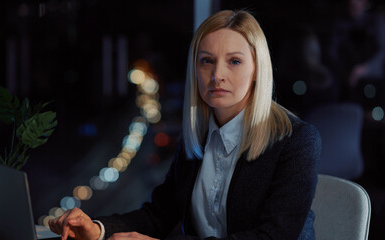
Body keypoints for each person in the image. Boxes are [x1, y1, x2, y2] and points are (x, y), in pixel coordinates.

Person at [49, 10, 321, 240]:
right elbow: (159, 215)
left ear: (257, 71)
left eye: (234, 61)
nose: (217, 75)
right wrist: (96, 229)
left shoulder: (296, 141)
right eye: (207, 61)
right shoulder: (199, 137)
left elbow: (273, 237)